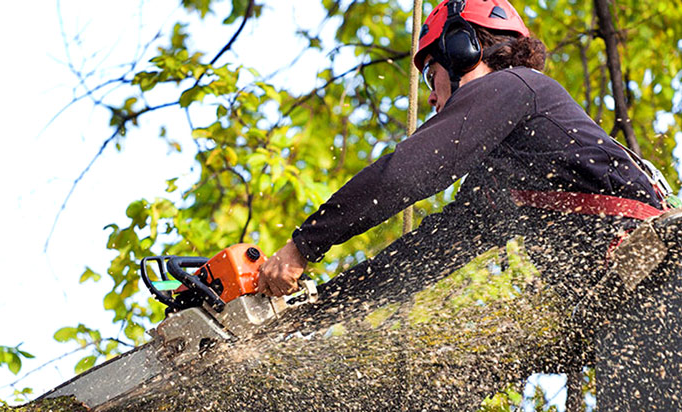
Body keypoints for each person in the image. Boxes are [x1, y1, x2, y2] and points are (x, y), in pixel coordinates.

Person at [256, 0, 680, 408]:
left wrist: (303, 245)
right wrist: (310, 314)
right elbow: (423, 256)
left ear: (463, 49)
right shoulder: (502, 179)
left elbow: (406, 173)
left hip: (659, 280)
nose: (434, 98)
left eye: (431, 76)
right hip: (634, 304)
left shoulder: (517, 86)